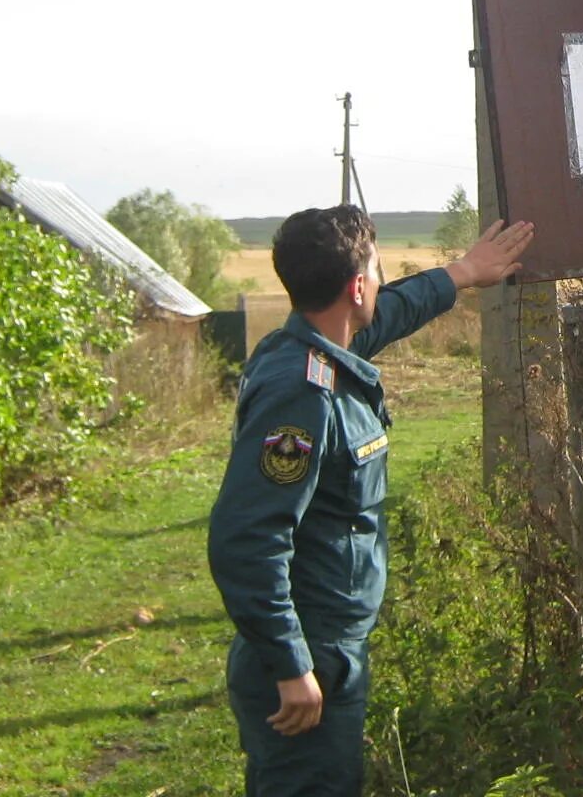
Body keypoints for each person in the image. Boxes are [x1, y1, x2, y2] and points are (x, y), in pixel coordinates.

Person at [208, 204, 533, 796]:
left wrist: (461, 273)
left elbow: (389, 314)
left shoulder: (309, 347)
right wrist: (291, 665)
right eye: (376, 272)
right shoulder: (301, 393)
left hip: (326, 645)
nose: (381, 285)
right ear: (357, 286)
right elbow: (247, 538)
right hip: (309, 650)